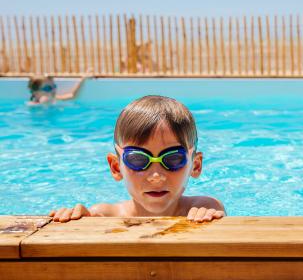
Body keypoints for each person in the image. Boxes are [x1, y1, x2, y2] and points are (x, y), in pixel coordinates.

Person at [50, 95, 225, 223]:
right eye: (138, 160)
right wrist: (74, 221)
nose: (156, 176)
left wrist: (212, 221)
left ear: (195, 165)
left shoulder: (205, 207)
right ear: (116, 168)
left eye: (172, 159)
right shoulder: (103, 216)